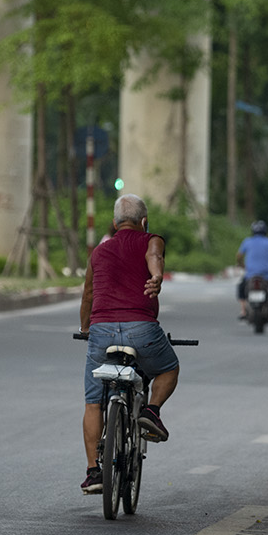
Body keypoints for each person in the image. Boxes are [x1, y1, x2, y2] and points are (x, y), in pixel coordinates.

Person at [78, 194, 179, 495]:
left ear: (113, 222)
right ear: (144, 221)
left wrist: (86, 328)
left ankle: (93, 472)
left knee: (93, 402)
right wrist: (157, 277)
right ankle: (152, 411)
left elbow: (87, 295)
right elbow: (154, 258)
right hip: (141, 330)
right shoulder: (151, 239)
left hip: (101, 332)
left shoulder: (99, 251)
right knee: (169, 368)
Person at [236, 220, 268, 319]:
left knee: (241, 288)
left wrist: (241, 265)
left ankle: (243, 310)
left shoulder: (247, 242)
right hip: (266, 277)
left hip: (250, 276)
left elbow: (239, 256)